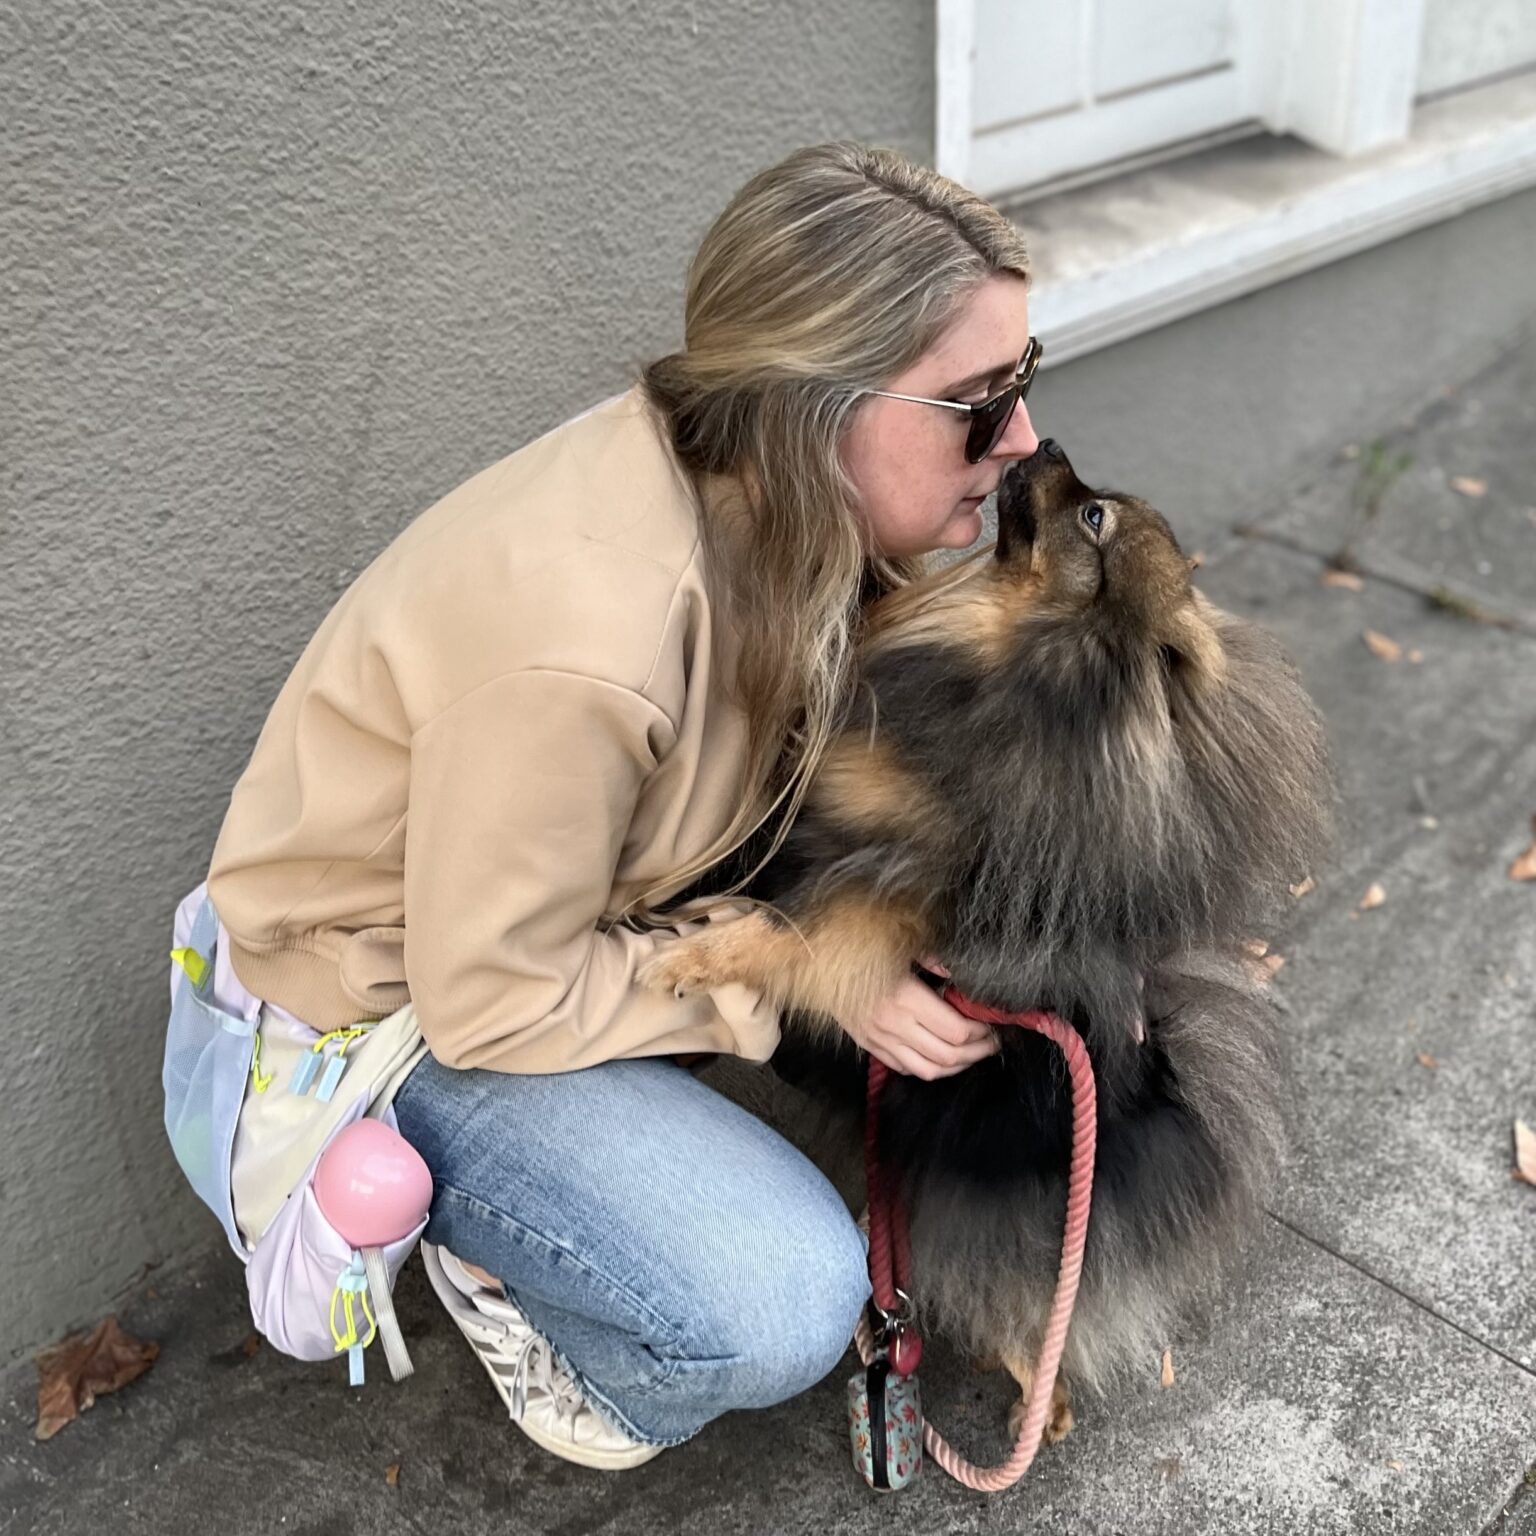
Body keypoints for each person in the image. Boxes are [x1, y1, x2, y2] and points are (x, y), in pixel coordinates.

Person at [202, 140, 1041, 1470]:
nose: (1024, 442)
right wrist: (804, 975)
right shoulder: (589, 638)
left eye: (1024, 384)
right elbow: (490, 998)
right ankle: (510, 1278)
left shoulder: (775, 501)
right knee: (775, 1302)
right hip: (390, 1010)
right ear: (811, 407)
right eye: (977, 404)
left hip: (577, 908)